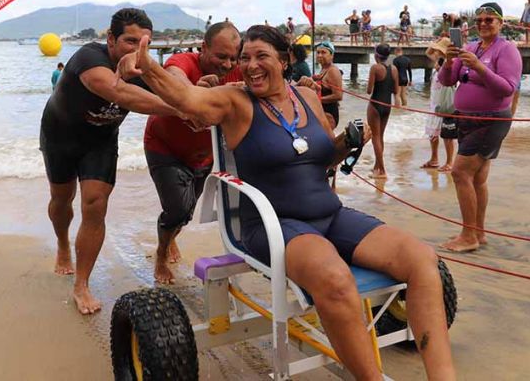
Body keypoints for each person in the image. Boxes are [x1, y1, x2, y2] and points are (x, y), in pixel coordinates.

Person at [120, 25, 456, 380]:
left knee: (422, 260)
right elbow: (187, 99)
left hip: (331, 216)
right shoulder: (234, 101)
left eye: (261, 56)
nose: (250, 66)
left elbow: (326, 158)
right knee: (335, 280)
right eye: (244, 58)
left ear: (283, 61)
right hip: (273, 225)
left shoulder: (307, 98)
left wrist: (349, 141)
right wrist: (149, 67)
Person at [39, 8, 181, 314]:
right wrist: (181, 110)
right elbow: (121, 93)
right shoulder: (89, 58)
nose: (137, 50)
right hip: (59, 138)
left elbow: (176, 86)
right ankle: (63, 244)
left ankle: (82, 284)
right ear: (111, 39)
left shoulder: (144, 67)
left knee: (94, 204)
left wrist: (204, 95)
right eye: (130, 41)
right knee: (61, 200)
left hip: (100, 142)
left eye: (145, 43)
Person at [144, 22, 243, 283]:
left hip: (204, 154)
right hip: (163, 145)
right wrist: (193, 89)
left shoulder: (237, 72)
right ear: (203, 48)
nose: (227, 64)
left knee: (187, 212)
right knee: (176, 210)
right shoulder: (183, 61)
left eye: (233, 57)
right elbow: (175, 77)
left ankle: (171, 236)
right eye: (221, 56)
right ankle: (161, 254)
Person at [438, 2, 522, 252]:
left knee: (460, 172)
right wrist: (449, 60)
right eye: (480, 20)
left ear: (500, 23)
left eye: (490, 20)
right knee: (477, 178)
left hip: (491, 119)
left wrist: (477, 66)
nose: (484, 24)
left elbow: (507, 88)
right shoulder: (471, 47)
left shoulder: (506, 50)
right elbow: (446, 81)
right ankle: (478, 231)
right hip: (466, 118)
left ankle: (468, 236)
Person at [422, 39, 456, 171]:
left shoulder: (449, 63)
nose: (435, 52)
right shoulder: (438, 62)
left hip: (445, 104)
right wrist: (436, 43)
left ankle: (449, 162)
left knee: (448, 135)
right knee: (433, 134)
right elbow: (428, 52)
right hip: (435, 103)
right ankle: (434, 159)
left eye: (438, 50)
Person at [367, 43, 399, 178]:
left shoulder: (375, 68)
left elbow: (369, 90)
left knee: (375, 137)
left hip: (375, 104)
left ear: (376, 55)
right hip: (387, 105)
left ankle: (382, 170)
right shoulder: (394, 69)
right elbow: (396, 90)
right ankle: (376, 166)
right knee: (380, 136)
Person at [309, 41, 343, 128]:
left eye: (323, 52)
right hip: (322, 112)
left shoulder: (333, 71)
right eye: (318, 52)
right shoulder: (324, 70)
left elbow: (338, 96)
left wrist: (317, 100)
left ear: (332, 56)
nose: (319, 55)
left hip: (329, 115)